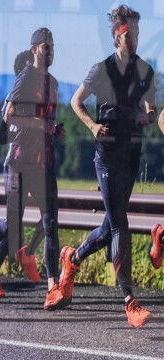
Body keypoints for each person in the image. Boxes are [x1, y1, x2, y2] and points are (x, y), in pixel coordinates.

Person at [59, 5, 157, 328]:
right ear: (117, 37)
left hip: (132, 156)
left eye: (139, 34)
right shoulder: (100, 70)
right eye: (130, 34)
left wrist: (150, 116)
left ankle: (71, 261)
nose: (136, 39)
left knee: (108, 226)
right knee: (120, 225)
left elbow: (153, 108)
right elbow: (76, 101)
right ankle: (129, 300)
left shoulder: (145, 71)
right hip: (106, 156)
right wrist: (90, 126)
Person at [0, 28, 66, 310]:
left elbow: (48, 121)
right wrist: (41, 125)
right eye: (47, 46)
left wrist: (54, 131)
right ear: (35, 48)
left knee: (50, 225)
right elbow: (8, 114)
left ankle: (52, 288)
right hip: (18, 163)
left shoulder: (56, 83)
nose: (51, 51)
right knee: (14, 225)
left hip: (43, 164)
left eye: (53, 46)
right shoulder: (26, 76)